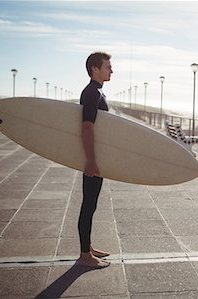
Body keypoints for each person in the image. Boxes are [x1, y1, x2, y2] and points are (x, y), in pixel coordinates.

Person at [77, 52, 113, 268]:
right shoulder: (92, 93)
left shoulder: (96, 91)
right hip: (93, 158)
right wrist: (90, 160)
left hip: (96, 156)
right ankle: (84, 255)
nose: (112, 70)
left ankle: (87, 247)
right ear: (95, 69)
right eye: (108, 66)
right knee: (88, 204)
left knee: (91, 204)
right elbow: (87, 126)